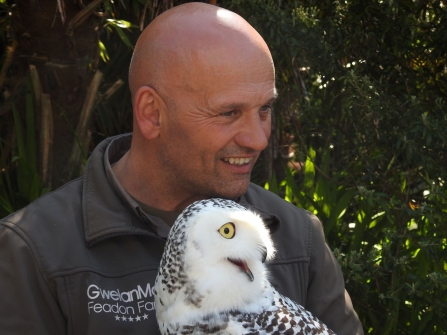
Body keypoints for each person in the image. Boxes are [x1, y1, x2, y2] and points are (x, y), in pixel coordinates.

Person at [0, 3, 363, 334]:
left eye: (264, 109)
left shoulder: (297, 236)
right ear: (152, 113)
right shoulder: (35, 253)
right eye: (229, 113)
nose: (258, 139)